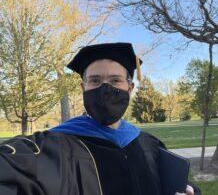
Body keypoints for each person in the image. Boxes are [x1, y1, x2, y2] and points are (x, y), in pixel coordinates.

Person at [0, 42, 201, 195]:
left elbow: (175, 184)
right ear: (83, 88)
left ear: (130, 88)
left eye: (115, 80)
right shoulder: (54, 147)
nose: (105, 89)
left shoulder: (147, 143)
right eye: (95, 80)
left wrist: (189, 190)